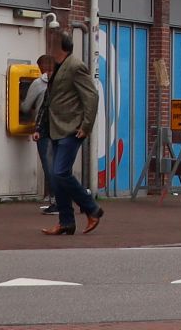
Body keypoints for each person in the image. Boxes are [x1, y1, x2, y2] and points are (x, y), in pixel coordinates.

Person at [32, 33, 103, 236]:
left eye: (52, 45)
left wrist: (86, 125)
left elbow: (91, 95)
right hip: (56, 129)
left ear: (61, 48)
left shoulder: (75, 66)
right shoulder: (57, 68)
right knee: (56, 176)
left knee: (60, 172)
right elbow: (49, 100)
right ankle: (66, 222)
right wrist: (40, 128)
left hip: (72, 129)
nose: (49, 48)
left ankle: (92, 209)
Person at [22, 55, 54, 212]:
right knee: (61, 167)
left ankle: (55, 201)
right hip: (60, 129)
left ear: (41, 66)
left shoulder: (38, 83)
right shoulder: (60, 83)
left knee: (49, 166)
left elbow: (26, 107)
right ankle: (83, 195)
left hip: (43, 130)